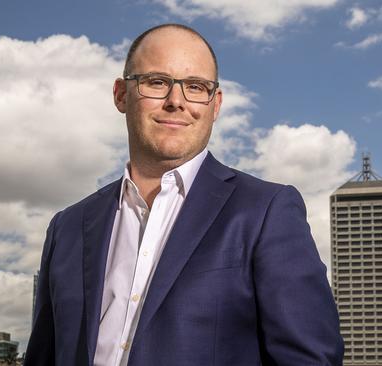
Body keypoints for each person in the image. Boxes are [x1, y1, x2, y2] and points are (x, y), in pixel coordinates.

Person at [25, 23, 343, 366]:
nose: (176, 101)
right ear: (121, 94)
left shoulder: (266, 212)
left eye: (195, 86)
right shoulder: (67, 227)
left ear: (215, 104)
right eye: (157, 82)